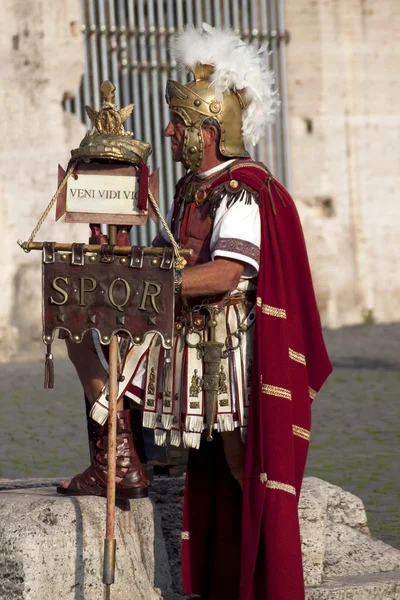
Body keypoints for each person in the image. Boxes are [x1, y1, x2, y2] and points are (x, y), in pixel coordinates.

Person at [60, 24, 332, 600]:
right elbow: (170, 254)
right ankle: (120, 457)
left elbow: (227, 272)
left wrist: (151, 283)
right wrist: (117, 256)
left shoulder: (242, 191)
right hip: (179, 333)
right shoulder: (190, 187)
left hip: (221, 345)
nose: (169, 130)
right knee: (81, 331)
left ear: (208, 131)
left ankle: (263, 575)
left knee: (236, 462)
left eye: (179, 124)